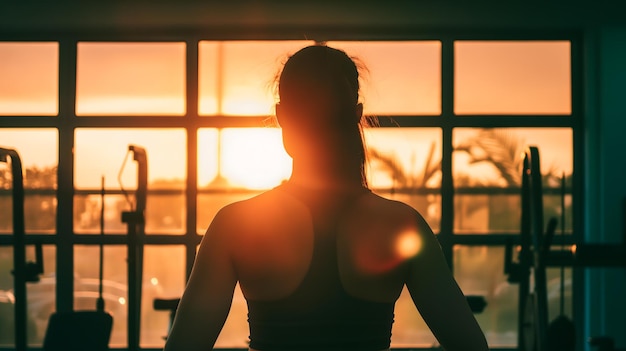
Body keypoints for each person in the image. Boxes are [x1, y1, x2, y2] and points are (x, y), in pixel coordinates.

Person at [163, 45, 489, 351]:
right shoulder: (402, 225)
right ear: (355, 114)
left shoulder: (236, 224)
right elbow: (471, 346)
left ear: (282, 116)